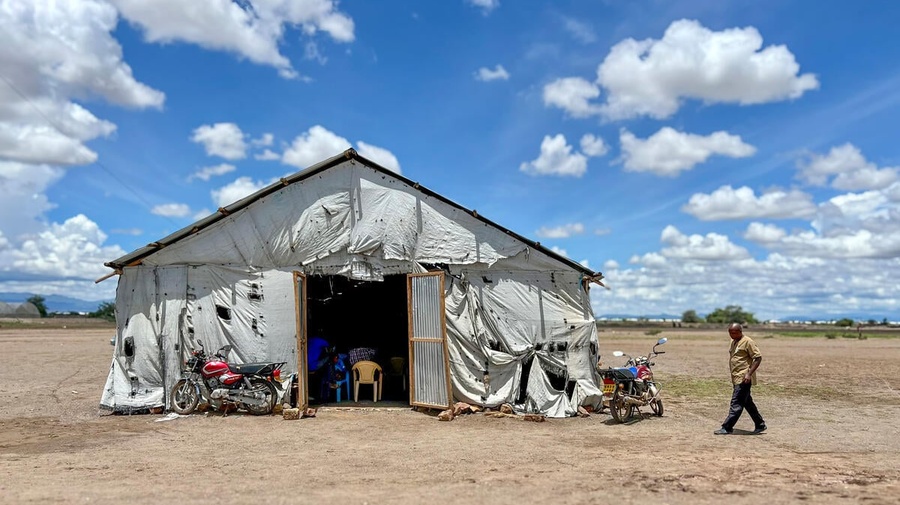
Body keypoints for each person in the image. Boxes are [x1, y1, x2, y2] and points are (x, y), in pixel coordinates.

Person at [714, 323, 767, 435]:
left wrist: (749, 374)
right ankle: (760, 424)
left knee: (736, 402)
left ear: (740, 331)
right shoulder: (733, 342)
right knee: (747, 402)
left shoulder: (748, 341)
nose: (732, 335)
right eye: (730, 333)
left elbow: (758, 358)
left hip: (744, 377)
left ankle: (727, 427)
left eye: (734, 332)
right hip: (736, 376)